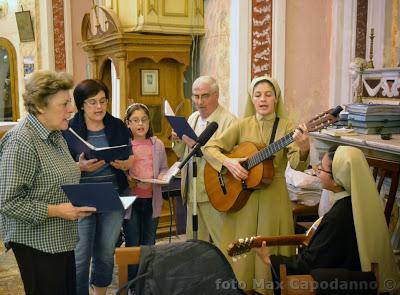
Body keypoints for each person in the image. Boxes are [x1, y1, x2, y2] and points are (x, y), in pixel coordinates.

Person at [204, 76, 310, 294]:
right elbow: (210, 147)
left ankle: (269, 288)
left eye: (268, 94)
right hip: (244, 198)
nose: (263, 99)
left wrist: (304, 147)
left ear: (276, 98)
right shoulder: (242, 125)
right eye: (258, 95)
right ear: (251, 99)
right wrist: (229, 163)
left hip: (274, 197)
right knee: (244, 246)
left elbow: (297, 164)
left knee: (270, 244)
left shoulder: (287, 126)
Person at [0, 70, 96, 295]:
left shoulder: (55, 134)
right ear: (41, 106)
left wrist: (78, 170)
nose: (71, 109)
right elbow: (7, 201)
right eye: (64, 104)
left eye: (69, 102)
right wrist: (56, 211)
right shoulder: (21, 142)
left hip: (61, 240)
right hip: (37, 244)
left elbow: (52, 174)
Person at [255, 146, 400, 294]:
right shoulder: (360, 203)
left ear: (337, 179)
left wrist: (269, 259)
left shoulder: (339, 216)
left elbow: (309, 263)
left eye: (322, 169)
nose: (317, 170)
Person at [62, 79, 133, 295]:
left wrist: (126, 164)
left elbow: (129, 156)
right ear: (81, 104)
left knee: (105, 251)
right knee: (81, 254)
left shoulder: (117, 125)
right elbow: (60, 164)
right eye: (92, 102)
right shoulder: (69, 128)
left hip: (112, 196)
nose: (99, 107)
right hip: (80, 197)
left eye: (103, 101)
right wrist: (79, 167)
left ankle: (100, 292)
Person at [172, 75, 237, 246]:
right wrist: (178, 140)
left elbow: (230, 158)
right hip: (193, 189)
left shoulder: (229, 121)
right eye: (196, 96)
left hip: (214, 191)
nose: (199, 101)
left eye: (205, 96)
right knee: (195, 242)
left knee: (221, 242)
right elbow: (183, 154)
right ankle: (198, 272)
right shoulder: (193, 118)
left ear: (216, 95)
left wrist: (198, 148)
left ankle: (223, 273)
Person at [122, 103, 169, 280]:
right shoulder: (125, 145)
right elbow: (120, 171)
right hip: (131, 203)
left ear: (149, 122)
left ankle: (147, 281)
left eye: (144, 119)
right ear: (128, 123)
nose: (140, 124)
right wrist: (126, 178)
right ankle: (133, 283)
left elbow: (163, 168)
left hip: (152, 201)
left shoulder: (157, 144)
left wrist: (164, 176)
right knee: (133, 244)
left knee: (149, 243)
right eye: (135, 120)